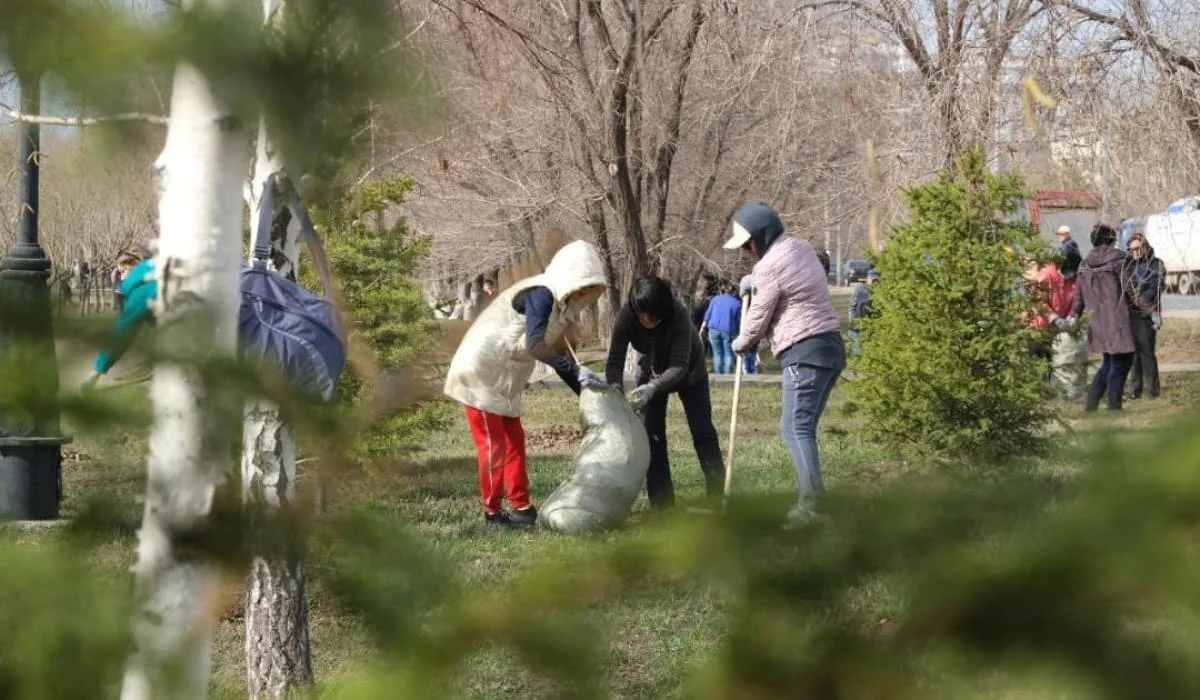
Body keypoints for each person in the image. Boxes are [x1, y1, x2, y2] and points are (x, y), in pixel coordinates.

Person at [444, 240, 609, 529]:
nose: (583, 293)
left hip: (504, 380)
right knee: (493, 447)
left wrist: (587, 391)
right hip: (479, 374)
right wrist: (577, 373)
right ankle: (492, 513)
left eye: (588, 290)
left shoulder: (561, 307)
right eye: (582, 286)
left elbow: (557, 354)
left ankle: (521, 507)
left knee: (514, 443)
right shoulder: (541, 294)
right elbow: (535, 346)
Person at [724, 201, 845, 526]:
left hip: (804, 352)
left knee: (795, 428)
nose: (748, 251)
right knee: (802, 428)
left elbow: (759, 315)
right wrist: (754, 279)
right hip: (830, 348)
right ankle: (813, 501)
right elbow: (785, 279)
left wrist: (742, 342)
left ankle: (813, 507)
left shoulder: (769, 267)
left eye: (749, 244)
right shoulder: (799, 249)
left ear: (761, 237)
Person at [605, 275, 725, 509]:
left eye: (654, 316)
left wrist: (654, 387)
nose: (647, 320)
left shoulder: (678, 314)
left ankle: (717, 495)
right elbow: (614, 362)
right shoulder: (627, 316)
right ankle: (662, 504)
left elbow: (679, 365)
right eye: (643, 315)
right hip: (650, 369)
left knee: (703, 432)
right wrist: (615, 392)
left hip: (689, 372)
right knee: (652, 436)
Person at [1067, 223, 1135, 412]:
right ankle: (1114, 407)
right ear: (1110, 240)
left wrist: (1074, 315)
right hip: (1118, 321)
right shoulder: (1118, 260)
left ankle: (1091, 406)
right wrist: (1150, 310)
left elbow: (1078, 296)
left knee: (1108, 363)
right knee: (1121, 363)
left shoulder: (1084, 263)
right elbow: (1131, 290)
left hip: (1097, 323)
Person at [82, 243, 157, 388]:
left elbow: (123, 331)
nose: (120, 277)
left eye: (123, 270)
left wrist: (97, 370)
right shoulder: (157, 273)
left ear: (136, 264)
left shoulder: (141, 288)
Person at [1121, 232, 1165, 400]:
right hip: (1132, 315)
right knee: (1134, 354)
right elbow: (1127, 290)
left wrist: (1147, 308)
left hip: (1147, 315)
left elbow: (1154, 289)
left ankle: (1152, 390)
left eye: (1139, 248)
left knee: (1147, 352)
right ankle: (1135, 389)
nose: (1136, 252)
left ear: (1145, 246)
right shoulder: (1128, 266)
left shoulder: (1156, 264)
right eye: (1132, 250)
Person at [699, 280, 741, 374]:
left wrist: (702, 328)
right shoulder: (737, 303)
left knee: (717, 353)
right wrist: (738, 332)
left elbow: (708, 314)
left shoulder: (715, 299)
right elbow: (738, 320)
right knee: (728, 353)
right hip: (728, 329)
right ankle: (727, 376)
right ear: (734, 292)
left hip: (713, 329)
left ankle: (718, 375)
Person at [847, 269, 878, 356]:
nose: (874, 282)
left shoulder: (879, 293)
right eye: (873, 280)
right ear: (868, 279)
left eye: (876, 280)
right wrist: (852, 320)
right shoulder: (860, 290)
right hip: (857, 326)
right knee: (857, 352)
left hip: (871, 328)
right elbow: (852, 306)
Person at [737, 273, 759, 374]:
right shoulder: (744, 303)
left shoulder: (757, 302)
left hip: (753, 329)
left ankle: (750, 370)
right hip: (747, 329)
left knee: (751, 351)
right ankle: (748, 370)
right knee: (748, 351)